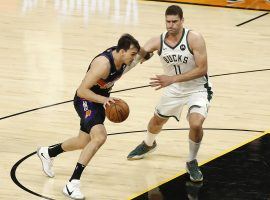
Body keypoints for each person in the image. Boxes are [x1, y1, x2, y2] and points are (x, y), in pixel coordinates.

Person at [37, 34, 141, 200]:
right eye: (132, 54)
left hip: (98, 102)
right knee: (99, 137)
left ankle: (48, 153)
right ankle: (72, 184)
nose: (134, 58)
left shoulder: (123, 61)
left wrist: (155, 47)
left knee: (83, 141)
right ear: (122, 51)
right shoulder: (103, 64)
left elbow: (146, 50)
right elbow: (81, 91)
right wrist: (105, 100)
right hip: (86, 100)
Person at [127, 5, 213, 183]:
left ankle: (191, 161)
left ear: (182, 21)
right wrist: (134, 58)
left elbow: (202, 69)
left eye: (175, 21)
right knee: (156, 121)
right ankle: (149, 144)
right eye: (168, 22)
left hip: (197, 88)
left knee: (196, 124)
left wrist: (172, 79)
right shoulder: (158, 41)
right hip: (174, 89)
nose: (171, 25)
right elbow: (138, 57)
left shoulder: (194, 38)